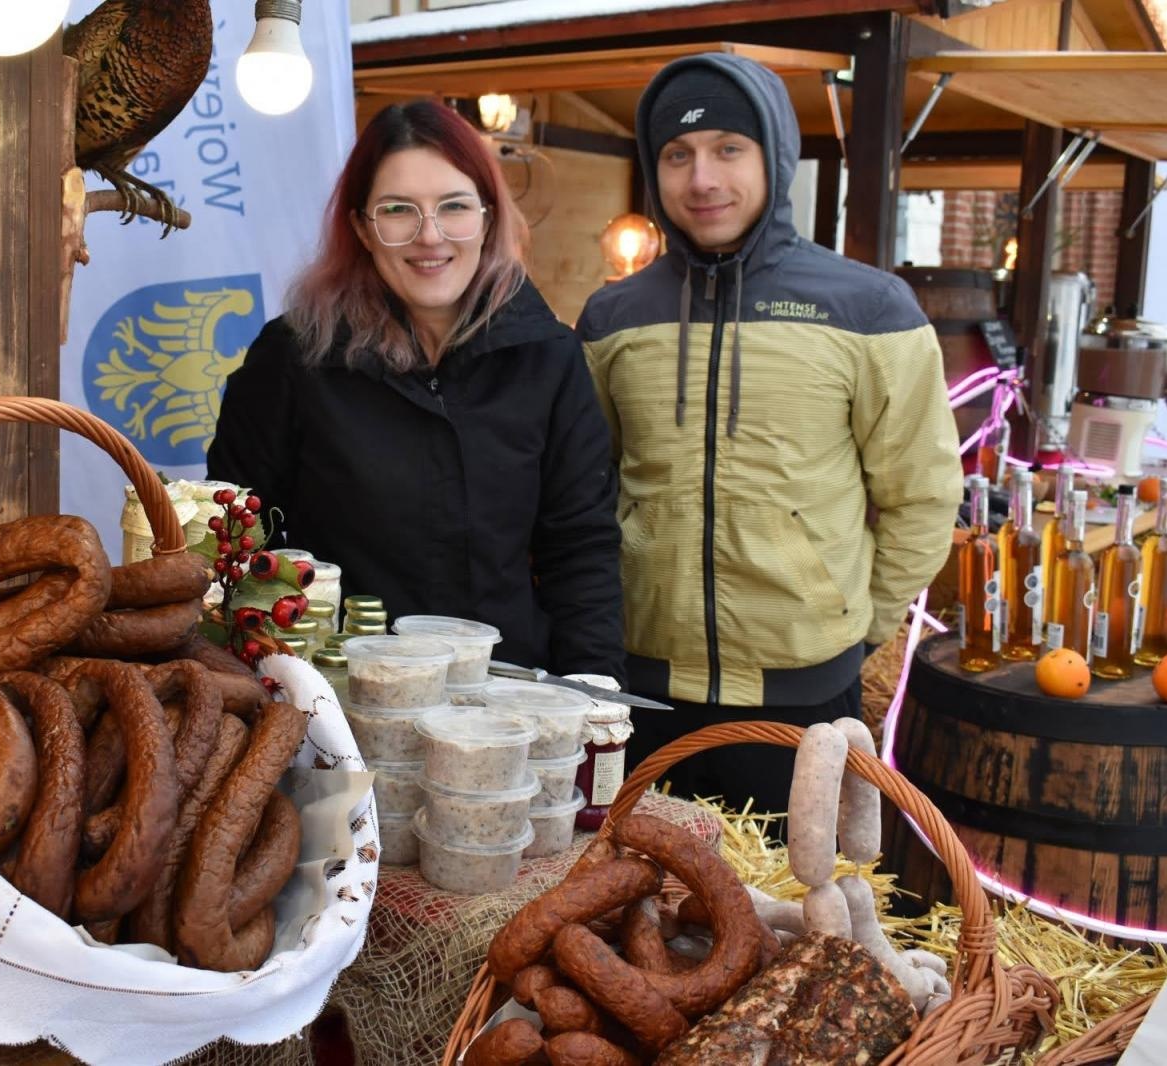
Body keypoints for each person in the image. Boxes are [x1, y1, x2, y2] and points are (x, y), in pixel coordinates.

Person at [580, 54, 962, 815]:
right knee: (634, 884)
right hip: (641, 690)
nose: (702, 179)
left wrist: (859, 628)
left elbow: (922, 495)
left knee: (796, 889)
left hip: (804, 696)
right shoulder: (613, 318)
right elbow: (587, 488)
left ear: (775, 156)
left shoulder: (870, 310)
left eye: (729, 148)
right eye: (677, 154)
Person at [208, 100, 624, 679]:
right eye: (398, 210)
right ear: (362, 227)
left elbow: (580, 549)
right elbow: (237, 544)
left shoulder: (547, 358)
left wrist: (594, 693)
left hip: (503, 698)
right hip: (334, 701)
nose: (430, 236)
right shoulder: (294, 357)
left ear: (488, 217)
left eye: (454, 206)